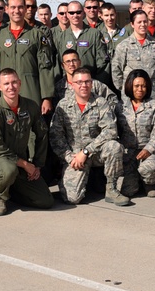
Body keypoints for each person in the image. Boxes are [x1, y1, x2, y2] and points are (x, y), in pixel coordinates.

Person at [49, 68, 130, 206]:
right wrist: (69, 157)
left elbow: (110, 131)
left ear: (91, 83)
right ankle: (75, 179)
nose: (83, 85)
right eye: (79, 82)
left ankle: (111, 189)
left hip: (96, 152)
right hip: (75, 157)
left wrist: (86, 151)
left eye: (87, 81)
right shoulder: (63, 105)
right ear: (72, 85)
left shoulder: (101, 102)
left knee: (114, 147)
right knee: (72, 199)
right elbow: (56, 135)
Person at [0, 68, 55, 216]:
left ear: (20, 83)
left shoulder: (30, 106)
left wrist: (37, 165)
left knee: (46, 201)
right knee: (9, 169)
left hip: (21, 164)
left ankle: (12, 191)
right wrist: (26, 164)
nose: (11, 87)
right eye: (7, 83)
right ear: (0, 87)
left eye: (14, 82)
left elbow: (41, 135)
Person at [0, 0, 56, 116]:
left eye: (20, 7)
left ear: (25, 9)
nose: (16, 11)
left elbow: (45, 68)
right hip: (6, 93)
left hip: (30, 91)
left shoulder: (37, 35)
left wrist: (47, 97)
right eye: (13, 7)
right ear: (7, 9)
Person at [118, 69, 155, 198]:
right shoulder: (120, 107)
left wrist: (149, 149)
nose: (140, 89)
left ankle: (149, 183)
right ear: (130, 86)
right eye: (136, 86)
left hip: (149, 151)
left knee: (148, 169)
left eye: (144, 86)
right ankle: (135, 179)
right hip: (129, 153)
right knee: (128, 191)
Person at [112, 10, 155, 103]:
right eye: (139, 22)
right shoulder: (124, 46)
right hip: (132, 95)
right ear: (132, 24)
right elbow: (116, 70)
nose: (143, 24)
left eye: (145, 21)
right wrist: (126, 88)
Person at [53, 0, 112, 86]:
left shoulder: (95, 34)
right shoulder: (61, 37)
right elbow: (58, 65)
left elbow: (103, 63)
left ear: (83, 13)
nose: (75, 15)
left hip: (89, 85)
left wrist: (97, 85)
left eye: (78, 12)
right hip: (68, 86)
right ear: (68, 15)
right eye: (72, 13)